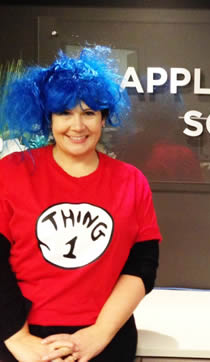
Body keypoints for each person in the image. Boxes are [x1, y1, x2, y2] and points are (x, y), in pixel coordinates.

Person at [0, 46, 161, 361]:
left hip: (105, 340)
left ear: (104, 117)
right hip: (21, 339)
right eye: (65, 112)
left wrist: (99, 335)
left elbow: (142, 266)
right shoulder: (10, 172)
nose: (77, 126)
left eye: (89, 113)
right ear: (48, 117)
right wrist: (18, 340)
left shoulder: (131, 181)